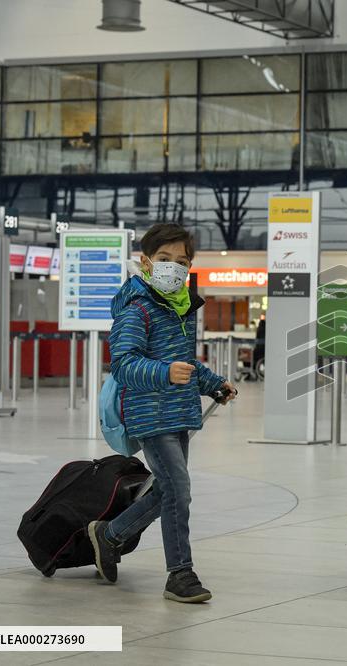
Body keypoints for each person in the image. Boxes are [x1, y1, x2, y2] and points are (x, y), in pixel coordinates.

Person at [87, 223, 236, 603]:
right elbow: (123, 364)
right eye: (165, 259)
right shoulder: (138, 308)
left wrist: (214, 383)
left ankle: (109, 535)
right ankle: (180, 574)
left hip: (178, 410)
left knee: (167, 491)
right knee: (178, 490)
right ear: (146, 262)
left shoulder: (182, 306)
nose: (174, 267)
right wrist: (164, 373)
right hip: (149, 413)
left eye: (181, 261)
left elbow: (183, 363)